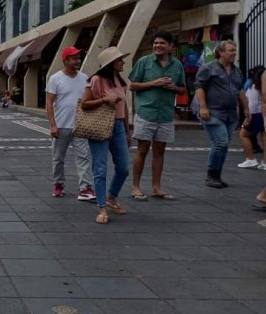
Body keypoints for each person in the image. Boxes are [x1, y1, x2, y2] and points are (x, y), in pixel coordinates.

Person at [128, 31, 187, 200]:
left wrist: (174, 87)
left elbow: (182, 88)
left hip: (166, 114)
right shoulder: (144, 62)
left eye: (162, 43)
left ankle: (156, 187)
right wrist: (155, 83)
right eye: (155, 43)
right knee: (143, 148)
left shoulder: (177, 66)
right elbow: (132, 85)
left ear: (170, 46)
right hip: (146, 111)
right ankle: (135, 187)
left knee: (160, 150)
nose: (158, 46)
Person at [80, 46, 131, 225]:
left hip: (118, 125)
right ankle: (102, 207)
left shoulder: (120, 81)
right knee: (100, 168)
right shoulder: (96, 80)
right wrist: (103, 100)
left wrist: (127, 129)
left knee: (124, 167)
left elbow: (124, 107)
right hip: (100, 126)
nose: (122, 62)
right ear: (110, 64)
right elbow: (84, 104)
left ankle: (112, 196)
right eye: (119, 60)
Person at [194, 40, 249, 188]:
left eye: (234, 50)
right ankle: (212, 175)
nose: (234, 53)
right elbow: (199, 87)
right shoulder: (208, 68)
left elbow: (240, 90)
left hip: (230, 114)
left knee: (222, 145)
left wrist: (246, 109)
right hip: (213, 113)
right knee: (221, 143)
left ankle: (216, 174)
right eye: (231, 50)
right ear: (221, 52)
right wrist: (203, 107)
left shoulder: (237, 71)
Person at [45, 47, 94, 201]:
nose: (77, 61)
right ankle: (58, 184)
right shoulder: (55, 78)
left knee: (83, 157)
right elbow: (49, 103)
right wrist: (53, 125)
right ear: (65, 61)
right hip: (61, 126)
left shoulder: (85, 78)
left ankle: (85, 188)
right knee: (58, 158)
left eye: (78, 58)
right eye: (73, 58)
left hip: (80, 125)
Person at [237, 65, 265, 169]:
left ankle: (250, 159)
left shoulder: (253, 86)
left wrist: (247, 117)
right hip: (264, 114)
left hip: (256, 114)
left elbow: (252, 104)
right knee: (264, 137)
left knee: (243, 135)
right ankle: (264, 162)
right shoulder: (263, 85)